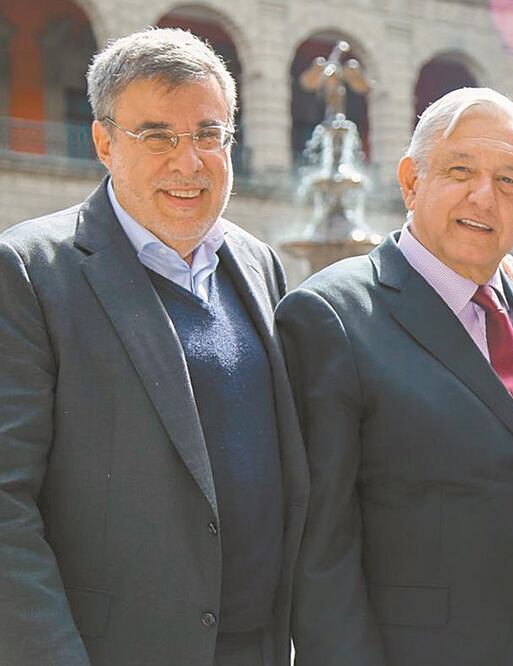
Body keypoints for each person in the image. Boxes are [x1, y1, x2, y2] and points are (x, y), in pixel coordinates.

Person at [0, 28, 308, 666]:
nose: (188, 161)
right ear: (104, 142)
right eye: (158, 135)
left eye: (208, 134)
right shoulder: (30, 272)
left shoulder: (260, 266)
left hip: (257, 648)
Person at [278, 87, 513, 666]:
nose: (484, 196)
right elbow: (319, 555)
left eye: (508, 182)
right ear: (411, 181)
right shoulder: (330, 316)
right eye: (460, 171)